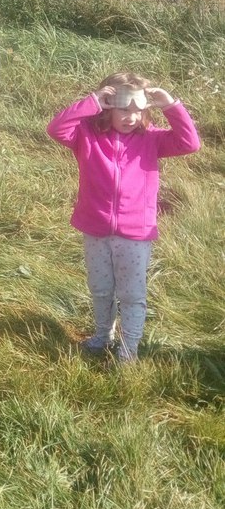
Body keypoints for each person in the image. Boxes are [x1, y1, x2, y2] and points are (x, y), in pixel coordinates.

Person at [47, 73, 200, 362]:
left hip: (135, 234)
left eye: (138, 109)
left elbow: (190, 143)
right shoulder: (87, 136)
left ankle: (128, 350)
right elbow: (56, 129)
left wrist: (171, 106)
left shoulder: (151, 139)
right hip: (95, 228)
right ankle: (102, 336)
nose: (131, 117)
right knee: (100, 289)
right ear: (107, 106)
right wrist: (92, 102)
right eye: (123, 108)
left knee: (131, 294)